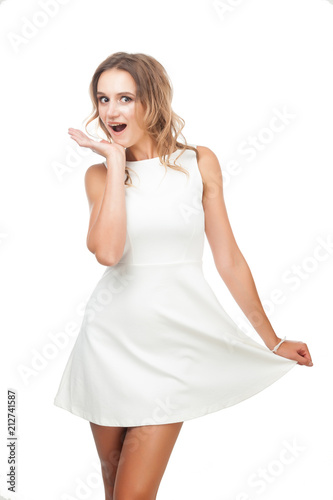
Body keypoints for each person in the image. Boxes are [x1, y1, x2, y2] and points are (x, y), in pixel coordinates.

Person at [54, 52, 313, 500]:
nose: (111, 111)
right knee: (113, 487)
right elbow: (109, 252)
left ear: (151, 101)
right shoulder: (99, 175)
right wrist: (117, 163)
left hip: (172, 350)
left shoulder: (199, 163)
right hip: (108, 347)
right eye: (103, 99)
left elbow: (228, 257)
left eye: (125, 98)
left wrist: (270, 340)